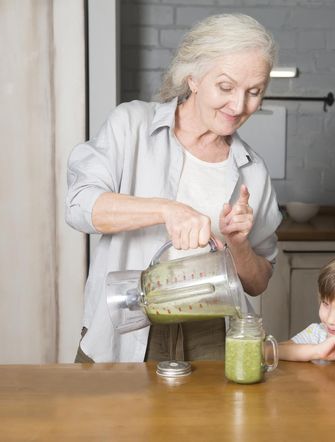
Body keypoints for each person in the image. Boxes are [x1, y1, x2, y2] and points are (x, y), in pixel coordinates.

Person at [65, 14, 283, 363]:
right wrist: (168, 209)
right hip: (125, 326)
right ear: (193, 78)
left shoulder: (253, 172)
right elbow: (80, 205)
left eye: (254, 92)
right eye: (226, 87)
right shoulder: (131, 126)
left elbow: (258, 282)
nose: (240, 106)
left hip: (211, 332)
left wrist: (238, 245)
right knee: (110, 418)